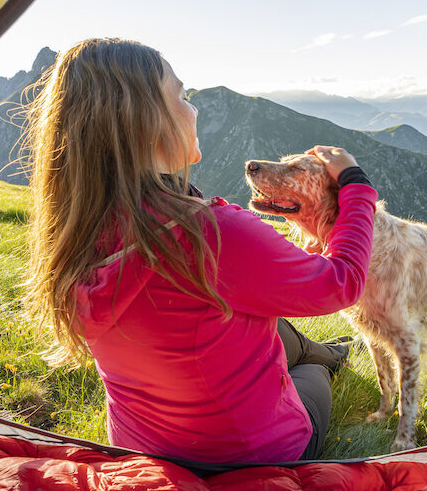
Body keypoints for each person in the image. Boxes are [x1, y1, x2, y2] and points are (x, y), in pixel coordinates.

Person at [21, 38, 377, 463]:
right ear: (146, 121)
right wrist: (356, 183)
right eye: (184, 97)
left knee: (268, 319)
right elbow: (341, 283)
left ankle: (331, 349)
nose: (194, 110)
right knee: (310, 372)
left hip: (142, 445)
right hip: (254, 451)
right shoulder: (212, 234)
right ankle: (329, 358)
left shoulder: (74, 230)